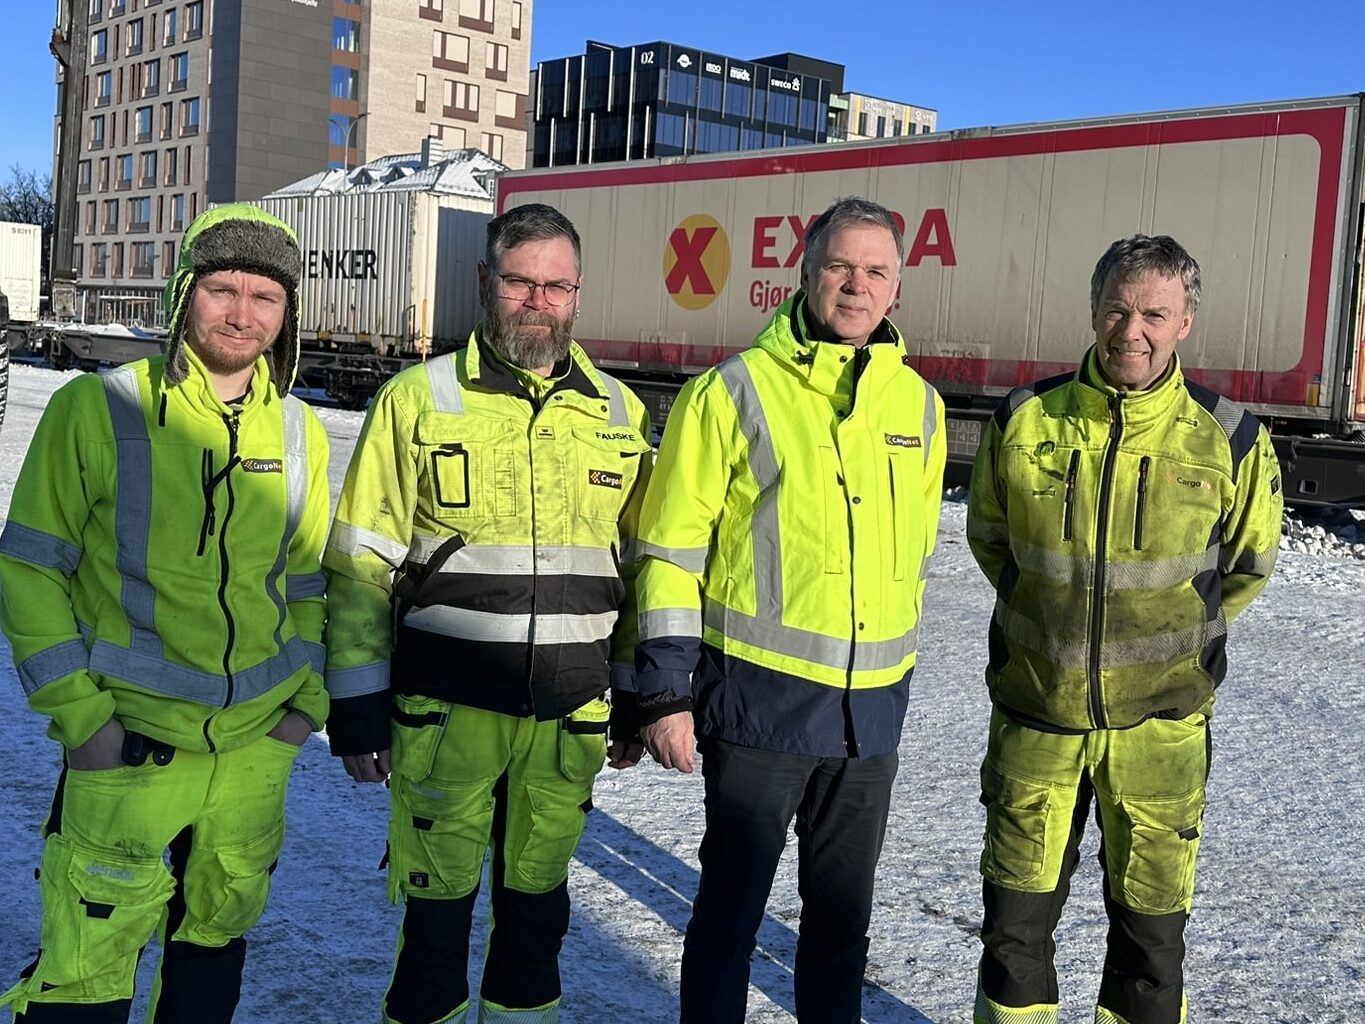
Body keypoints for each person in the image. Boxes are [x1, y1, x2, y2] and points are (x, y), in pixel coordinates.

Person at [323, 202, 653, 1024]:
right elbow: (362, 562)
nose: (536, 301)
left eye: (555, 286)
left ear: (578, 294)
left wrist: (633, 692)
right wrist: (356, 701)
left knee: (536, 924)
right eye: (519, 282)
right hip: (446, 710)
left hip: (568, 714)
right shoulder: (416, 399)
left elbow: (636, 570)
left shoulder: (619, 414)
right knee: (435, 926)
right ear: (485, 283)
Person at [0, 204, 331, 1023]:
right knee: (84, 971)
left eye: (266, 297)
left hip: (254, 750)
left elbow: (313, 584)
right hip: (129, 744)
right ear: (186, 293)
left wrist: (303, 710)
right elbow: (30, 570)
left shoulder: (299, 432)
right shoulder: (99, 407)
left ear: (287, 315)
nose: (242, 313)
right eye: (223, 288)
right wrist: (84, 720)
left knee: (211, 956)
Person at [635, 196, 947, 1023]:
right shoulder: (729, 392)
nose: (856, 285)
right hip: (758, 709)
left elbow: (913, 556)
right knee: (729, 923)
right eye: (840, 266)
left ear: (897, 288)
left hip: (868, 718)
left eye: (875, 270)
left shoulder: (919, 405)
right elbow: (669, 551)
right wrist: (665, 694)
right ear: (805, 275)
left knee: (841, 929)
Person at [966, 234, 1283, 1024]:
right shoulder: (1023, 419)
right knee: (1013, 937)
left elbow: (1244, 567)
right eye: (1116, 308)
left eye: (1152, 312)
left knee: (1149, 947)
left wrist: (1171, 645)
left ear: (1183, 324)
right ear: (1092, 310)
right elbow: (991, 539)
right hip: (1036, 720)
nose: (1129, 329)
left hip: (1160, 735)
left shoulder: (1230, 439)